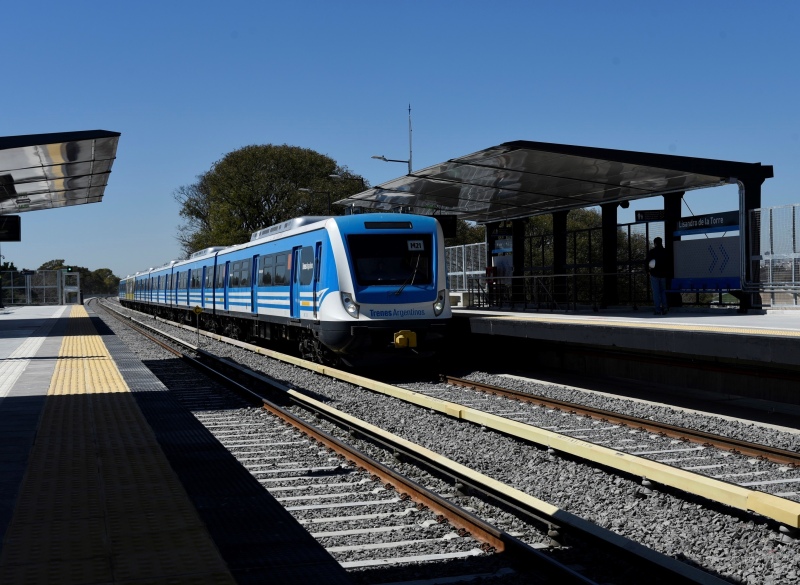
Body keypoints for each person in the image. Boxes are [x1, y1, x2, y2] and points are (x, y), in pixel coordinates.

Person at [646, 237, 668, 315]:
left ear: (655, 243)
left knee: (656, 292)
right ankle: (665, 308)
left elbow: (647, 262)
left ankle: (657, 309)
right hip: (663, 274)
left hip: (654, 274)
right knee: (663, 291)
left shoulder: (652, 252)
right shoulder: (665, 251)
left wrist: (648, 271)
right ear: (661, 242)